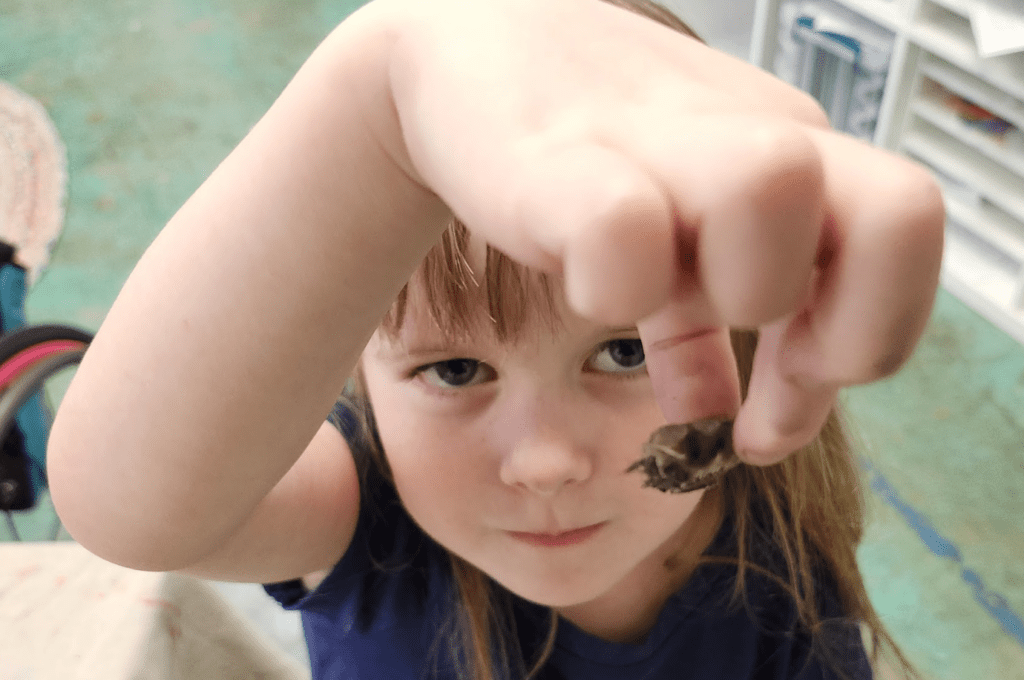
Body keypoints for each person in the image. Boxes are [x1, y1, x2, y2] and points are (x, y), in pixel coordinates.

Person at [46, 0, 944, 678]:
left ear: (744, 346)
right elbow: (134, 506)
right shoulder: (365, 514)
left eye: (625, 351)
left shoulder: (773, 534)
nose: (545, 462)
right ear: (359, 368)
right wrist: (378, 94)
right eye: (457, 368)